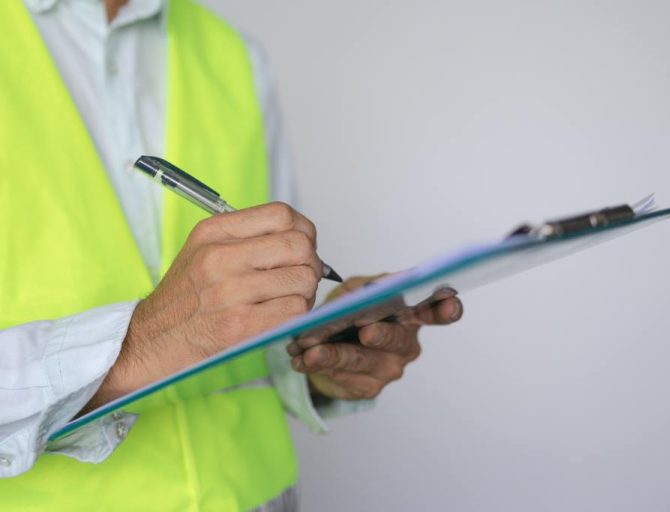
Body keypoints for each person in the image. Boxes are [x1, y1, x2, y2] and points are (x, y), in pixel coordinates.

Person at [0, 0, 463, 510]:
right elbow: (178, 331)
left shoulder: (236, 55)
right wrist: (140, 346)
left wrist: (315, 357)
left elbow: (252, 330)